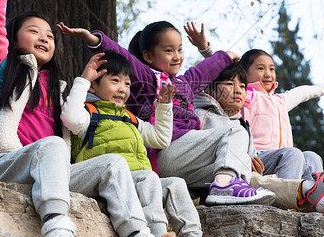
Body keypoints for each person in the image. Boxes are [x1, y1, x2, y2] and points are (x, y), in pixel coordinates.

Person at [0, 0, 191, 237]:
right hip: (3, 162)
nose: (44, 37)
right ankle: (57, 223)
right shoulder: (4, 74)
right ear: (14, 39)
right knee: (52, 146)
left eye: (49, 34)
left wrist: (86, 81)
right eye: (34, 31)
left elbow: (81, 119)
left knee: (113, 163)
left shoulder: (62, 90)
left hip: (53, 167)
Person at [57, 21, 275, 206]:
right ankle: (225, 188)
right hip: (167, 150)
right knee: (234, 131)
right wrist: (96, 40)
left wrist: (226, 56)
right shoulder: (147, 79)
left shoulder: (186, 83)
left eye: (180, 50)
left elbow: (207, 69)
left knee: (240, 163)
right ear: (149, 56)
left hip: (185, 161)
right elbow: (122, 54)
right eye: (168, 50)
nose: (177, 56)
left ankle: (218, 193)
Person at [186, 23, 324, 212]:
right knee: (293, 153)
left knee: (311, 157)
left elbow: (302, 92)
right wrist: (205, 48)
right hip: (257, 157)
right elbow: (219, 69)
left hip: (281, 160)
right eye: (260, 68)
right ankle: (285, 204)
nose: (268, 73)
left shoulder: (280, 100)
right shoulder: (246, 96)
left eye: (272, 69)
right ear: (243, 74)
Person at [61, 50, 213, 237]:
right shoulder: (88, 113)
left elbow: (160, 139)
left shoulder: (129, 118)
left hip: (139, 183)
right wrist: (83, 81)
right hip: (109, 180)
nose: (122, 89)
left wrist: (164, 106)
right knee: (148, 176)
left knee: (175, 184)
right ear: (94, 85)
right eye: (115, 81)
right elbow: (69, 118)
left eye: (127, 84)